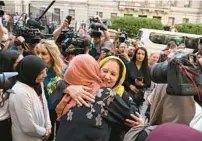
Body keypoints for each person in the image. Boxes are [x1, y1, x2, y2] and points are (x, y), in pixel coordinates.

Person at [55, 54, 137, 141]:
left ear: (119, 78)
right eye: (104, 71)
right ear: (96, 70)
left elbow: (133, 117)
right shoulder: (75, 90)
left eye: (113, 74)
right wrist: (67, 87)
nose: (107, 76)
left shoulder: (121, 95)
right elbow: (53, 83)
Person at [9, 55, 51, 141]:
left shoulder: (38, 84)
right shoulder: (19, 92)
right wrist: (44, 132)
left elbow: (44, 106)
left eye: (45, 71)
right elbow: (28, 126)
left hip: (40, 136)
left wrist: (48, 125)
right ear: (30, 73)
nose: (45, 75)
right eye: (41, 73)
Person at [35, 40, 66, 141]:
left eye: (44, 53)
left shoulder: (63, 69)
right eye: (38, 53)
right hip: (41, 109)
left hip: (58, 109)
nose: (39, 56)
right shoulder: (34, 68)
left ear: (52, 55)